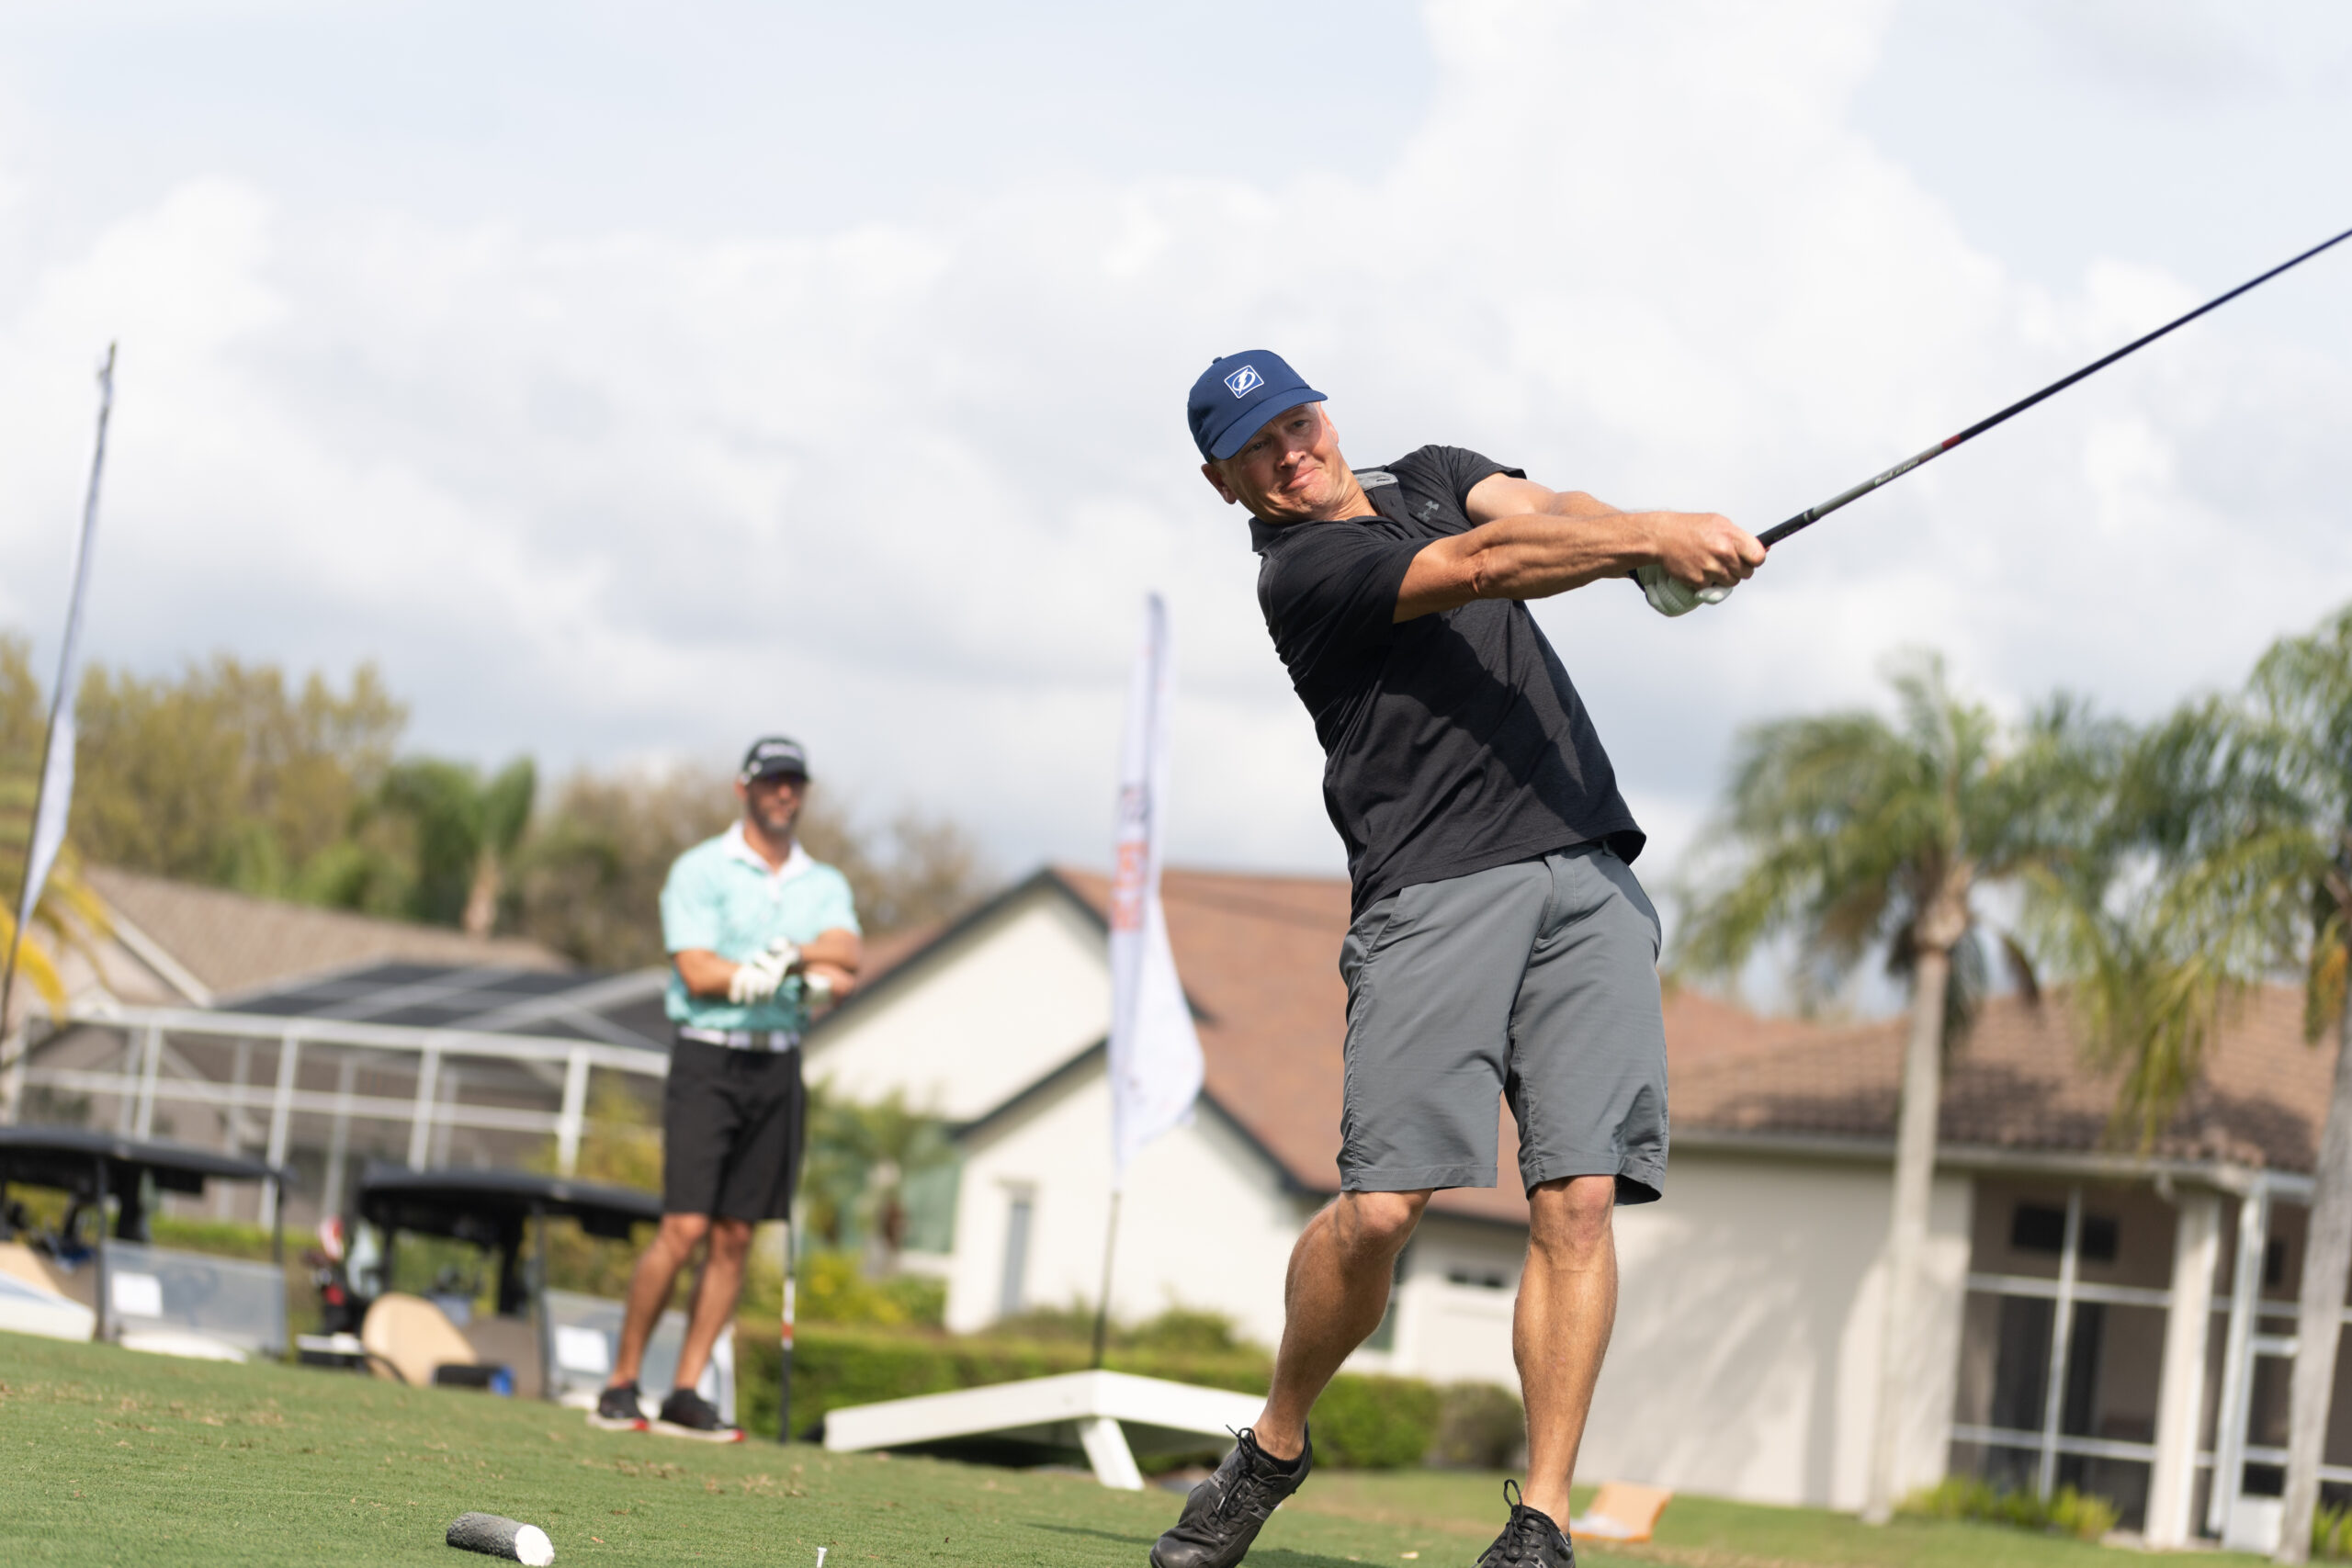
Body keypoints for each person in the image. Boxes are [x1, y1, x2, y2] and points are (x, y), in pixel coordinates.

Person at [1151, 355, 1766, 1568]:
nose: (1289, 451)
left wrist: (1651, 554)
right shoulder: (1303, 572)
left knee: (1579, 1198)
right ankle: (1275, 1439)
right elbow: (1483, 566)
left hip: (1585, 864)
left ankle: (1542, 1519)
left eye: (1296, 420)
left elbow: (1548, 515)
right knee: (1384, 1206)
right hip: (1432, 886)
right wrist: (1654, 538)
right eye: (1256, 446)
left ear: (1323, 413)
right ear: (1224, 482)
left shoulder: (1431, 472)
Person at [594, 736, 861, 1440]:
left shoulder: (822, 882)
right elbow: (697, 969)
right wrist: (771, 976)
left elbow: (848, 954)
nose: (785, 792)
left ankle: (686, 1389)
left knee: (737, 1234)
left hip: (778, 1065)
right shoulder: (701, 868)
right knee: (683, 1227)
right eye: (772, 781)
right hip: (708, 1061)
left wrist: (790, 954)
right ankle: (622, 1380)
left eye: (795, 782)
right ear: (744, 788)